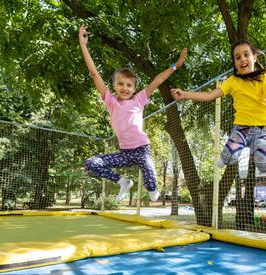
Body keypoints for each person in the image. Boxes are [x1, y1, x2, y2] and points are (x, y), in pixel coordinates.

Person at [79, 24, 187, 202]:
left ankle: (151, 187)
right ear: (114, 86)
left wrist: (176, 65)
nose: (124, 88)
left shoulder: (140, 99)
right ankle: (123, 182)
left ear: (134, 88)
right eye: (120, 84)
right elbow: (94, 74)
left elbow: (158, 79)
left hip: (142, 150)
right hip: (124, 153)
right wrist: (84, 45)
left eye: (129, 85)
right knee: (91, 163)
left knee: (153, 193)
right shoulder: (110, 101)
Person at [171, 40, 266, 174]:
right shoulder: (232, 81)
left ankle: (263, 164)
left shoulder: (264, 79)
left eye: (246, 55)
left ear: (254, 57)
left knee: (265, 165)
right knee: (229, 157)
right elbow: (210, 95)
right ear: (235, 63)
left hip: (261, 130)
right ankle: (225, 157)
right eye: (238, 57)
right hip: (241, 129)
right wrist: (185, 95)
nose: (242, 59)